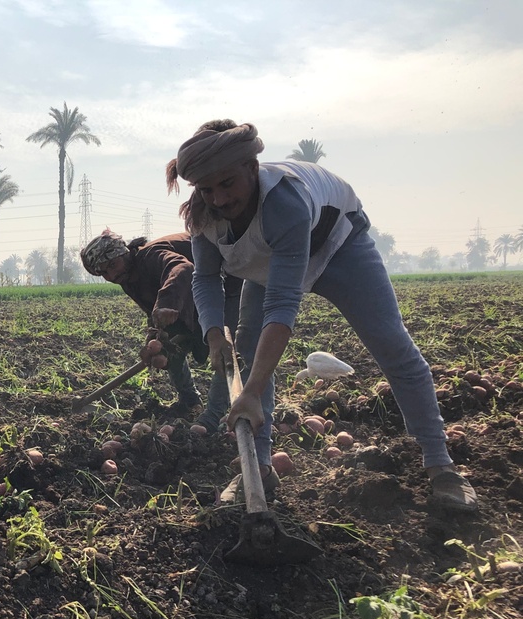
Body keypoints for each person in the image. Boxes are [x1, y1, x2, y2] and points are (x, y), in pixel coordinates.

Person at [166, 119, 478, 512]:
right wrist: (214, 332)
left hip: (336, 246)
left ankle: (441, 465)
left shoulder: (285, 202)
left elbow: (283, 303)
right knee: (247, 344)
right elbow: (206, 278)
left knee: (391, 344)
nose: (220, 199)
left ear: (251, 167)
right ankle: (258, 470)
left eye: (228, 183)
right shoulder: (203, 216)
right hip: (268, 261)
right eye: (208, 189)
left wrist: (252, 391)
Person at [80, 228, 243, 432]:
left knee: (224, 350)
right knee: (166, 348)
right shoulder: (127, 277)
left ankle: (212, 416)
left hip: (227, 285)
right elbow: (152, 308)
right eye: (104, 272)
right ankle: (190, 400)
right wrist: (155, 336)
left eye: (113, 265)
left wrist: (166, 302)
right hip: (191, 297)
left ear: (124, 253)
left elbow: (183, 268)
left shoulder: (151, 255)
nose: (111, 274)